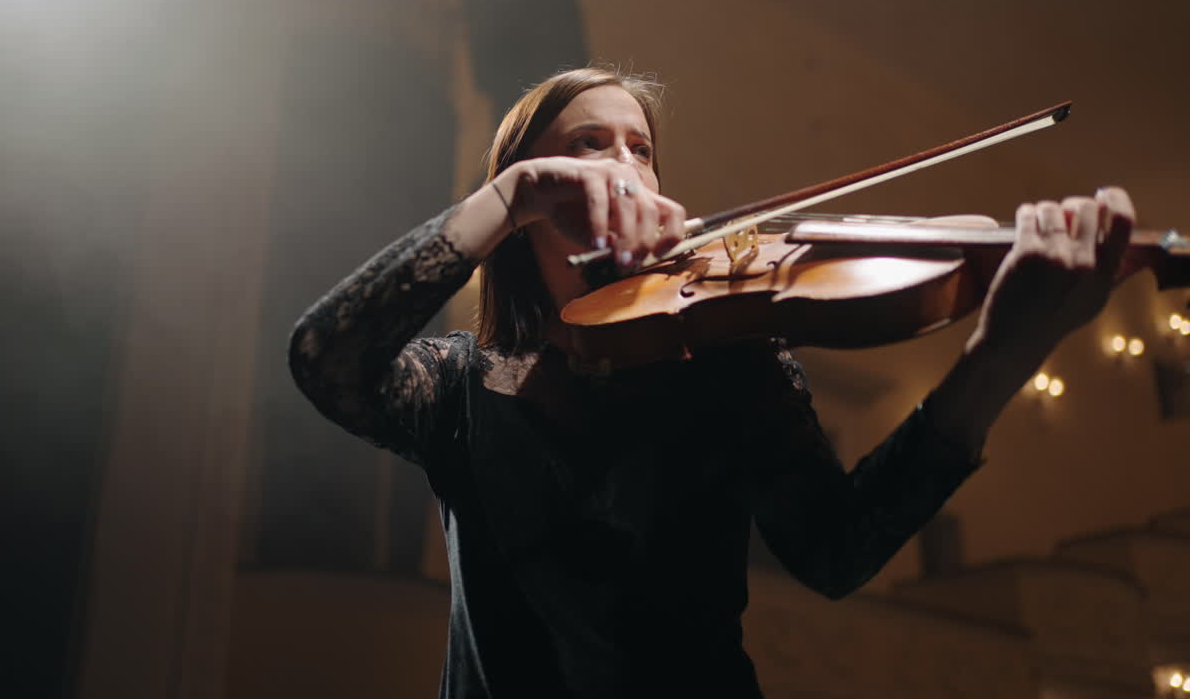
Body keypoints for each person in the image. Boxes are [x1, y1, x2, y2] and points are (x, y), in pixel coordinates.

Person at [287, 67, 1135, 698]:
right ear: (530, 200)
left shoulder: (727, 359)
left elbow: (836, 551)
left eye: (641, 150)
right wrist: (506, 194)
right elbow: (326, 356)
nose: (625, 165)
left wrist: (1002, 354)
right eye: (588, 145)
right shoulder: (462, 388)